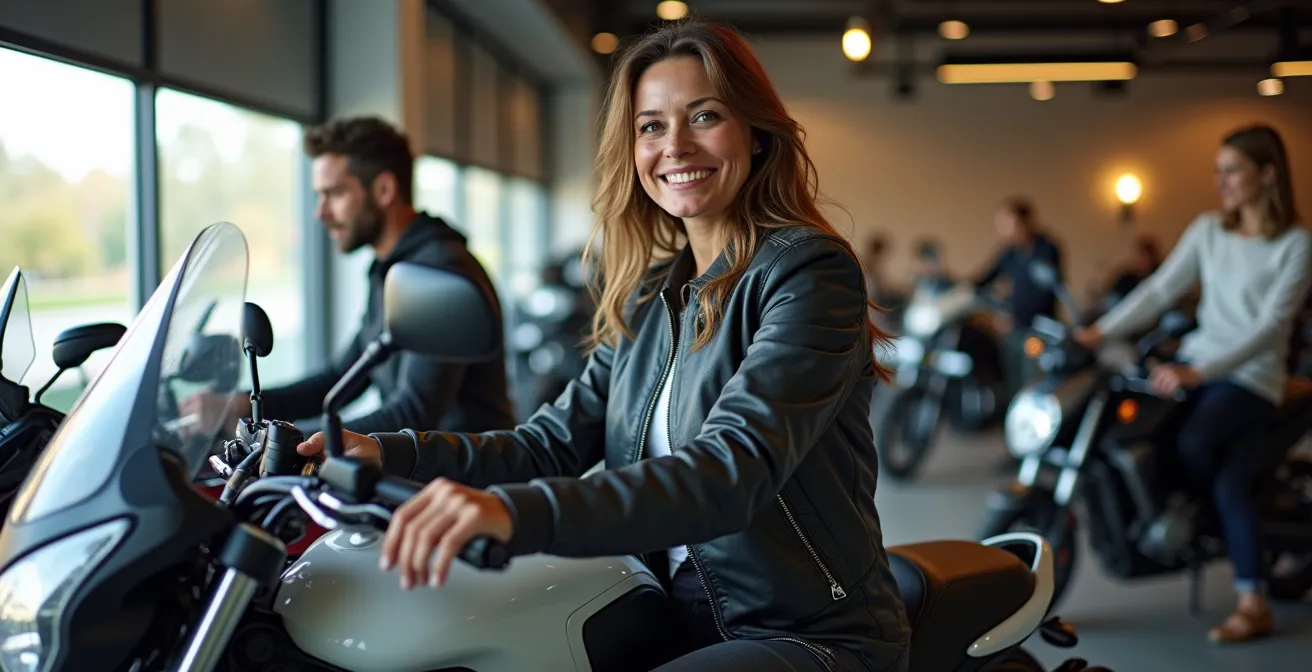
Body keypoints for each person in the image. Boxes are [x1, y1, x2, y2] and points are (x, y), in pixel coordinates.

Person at [297, 20, 911, 672]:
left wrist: (513, 513)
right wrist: (385, 451)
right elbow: (548, 444)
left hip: (806, 629)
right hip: (662, 604)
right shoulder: (652, 295)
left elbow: (730, 471)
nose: (674, 145)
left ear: (755, 134)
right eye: (650, 126)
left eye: (703, 116)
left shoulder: (808, 273)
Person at [1073, 124, 1311, 643]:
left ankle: (1252, 602)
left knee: (1202, 449)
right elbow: (1160, 290)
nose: (1220, 180)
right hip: (1199, 367)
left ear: (1267, 175)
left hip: (1251, 378)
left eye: (1232, 170)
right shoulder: (1209, 230)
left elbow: (1270, 327)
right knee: (1189, 457)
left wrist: (1199, 371)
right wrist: (1100, 330)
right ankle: (1192, 528)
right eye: (1218, 170)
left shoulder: (1295, 243)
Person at [186, 116, 515, 436]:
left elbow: (414, 412)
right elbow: (342, 377)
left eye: (335, 194)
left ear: (384, 189)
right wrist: (242, 406)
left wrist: (289, 442)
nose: (320, 213)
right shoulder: (389, 270)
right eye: (319, 195)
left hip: (465, 479)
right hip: (420, 469)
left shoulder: (440, 272)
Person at [974, 195, 1064, 333]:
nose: (1002, 230)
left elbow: (1043, 295)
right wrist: (963, 289)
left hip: (1039, 328)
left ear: (1023, 223)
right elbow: (986, 277)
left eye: (1006, 224)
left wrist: (1014, 317)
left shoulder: (1046, 249)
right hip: (1016, 326)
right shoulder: (1010, 252)